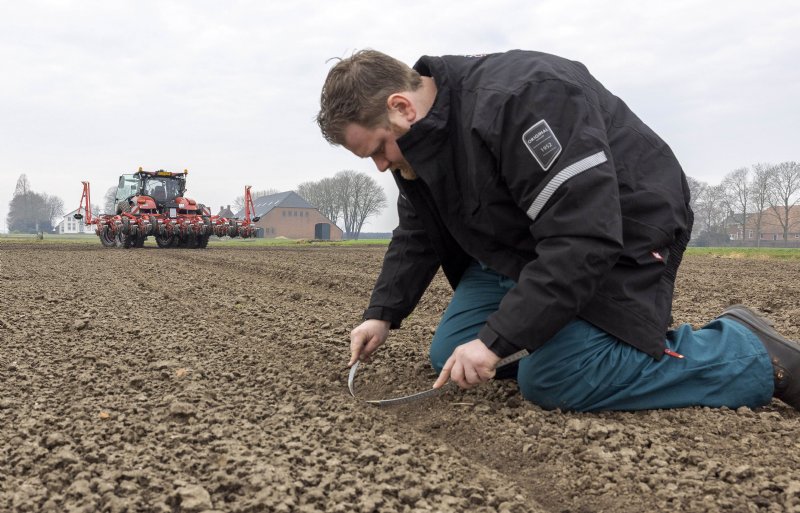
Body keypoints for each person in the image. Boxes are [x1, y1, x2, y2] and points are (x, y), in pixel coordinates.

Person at [316, 49, 800, 412]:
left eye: (377, 149)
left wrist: (498, 340)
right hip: (527, 245)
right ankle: (559, 327)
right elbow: (419, 228)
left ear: (402, 106)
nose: (381, 166)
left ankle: (745, 351)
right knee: (452, 351)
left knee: (556, 378)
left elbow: (584, 236)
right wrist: (382, 314)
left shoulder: (522, 99)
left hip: (622, 226)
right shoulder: (422, 144)